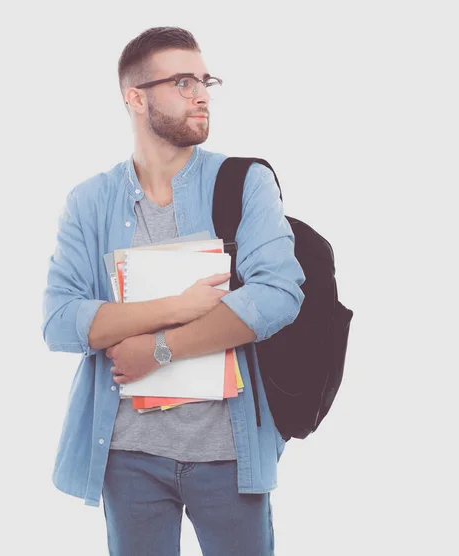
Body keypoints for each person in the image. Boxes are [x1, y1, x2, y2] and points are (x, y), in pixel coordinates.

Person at [42, 26, 305, 555]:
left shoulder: (244, 182)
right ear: (135, 98)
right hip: (127, 455)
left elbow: (279, 294)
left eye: (205, 80)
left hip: (229, 454)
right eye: (182, 82)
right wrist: (177, 307)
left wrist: (158, 348)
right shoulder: (90, 201)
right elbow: (60, 321)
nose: (202, 94)